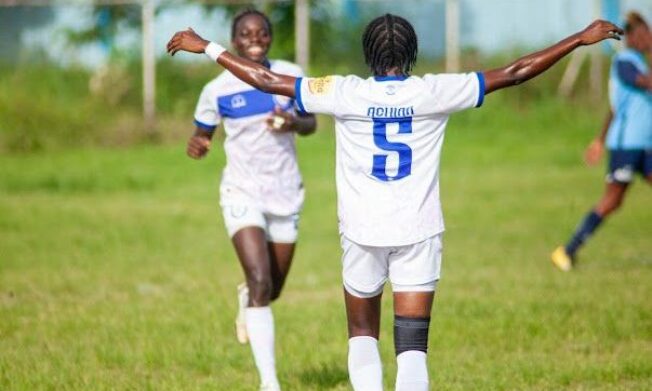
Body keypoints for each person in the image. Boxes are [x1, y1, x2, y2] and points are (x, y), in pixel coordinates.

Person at [168, 14, 621, 391]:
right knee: (412, 348)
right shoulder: (435, 90)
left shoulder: (345, 91)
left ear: (369, 56)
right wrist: (579, 39)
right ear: (412, 53)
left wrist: (205, 45)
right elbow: (517, 71)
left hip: (362, 234)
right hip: (419, 232)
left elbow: (266, 79)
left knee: (363, 335)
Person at [186, 9, 316, 391]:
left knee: (270, 290)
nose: (254, 39)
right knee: (260, 280)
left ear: (270, 38)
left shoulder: (290, 73)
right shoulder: (217, 91)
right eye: (245, 34)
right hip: (241, 192)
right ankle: (269, 381)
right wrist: (198, 144)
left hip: (286, 192)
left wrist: (293, 123)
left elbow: (312, 123)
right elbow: (202, 135)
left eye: (261, 33)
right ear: (235, 39)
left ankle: (248, 299)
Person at [551, 12, 652, 272]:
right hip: (625, 147)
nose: (650, 37)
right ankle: (566, 250)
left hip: (643, 145)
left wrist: (598, 139)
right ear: (634, 37)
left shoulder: (640, 62)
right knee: (612, 200)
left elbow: (615, 107)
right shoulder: (625, 62)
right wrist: (602, 140)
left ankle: (568, 250)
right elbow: (641, 86)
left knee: (614, 201)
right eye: (645, 33)